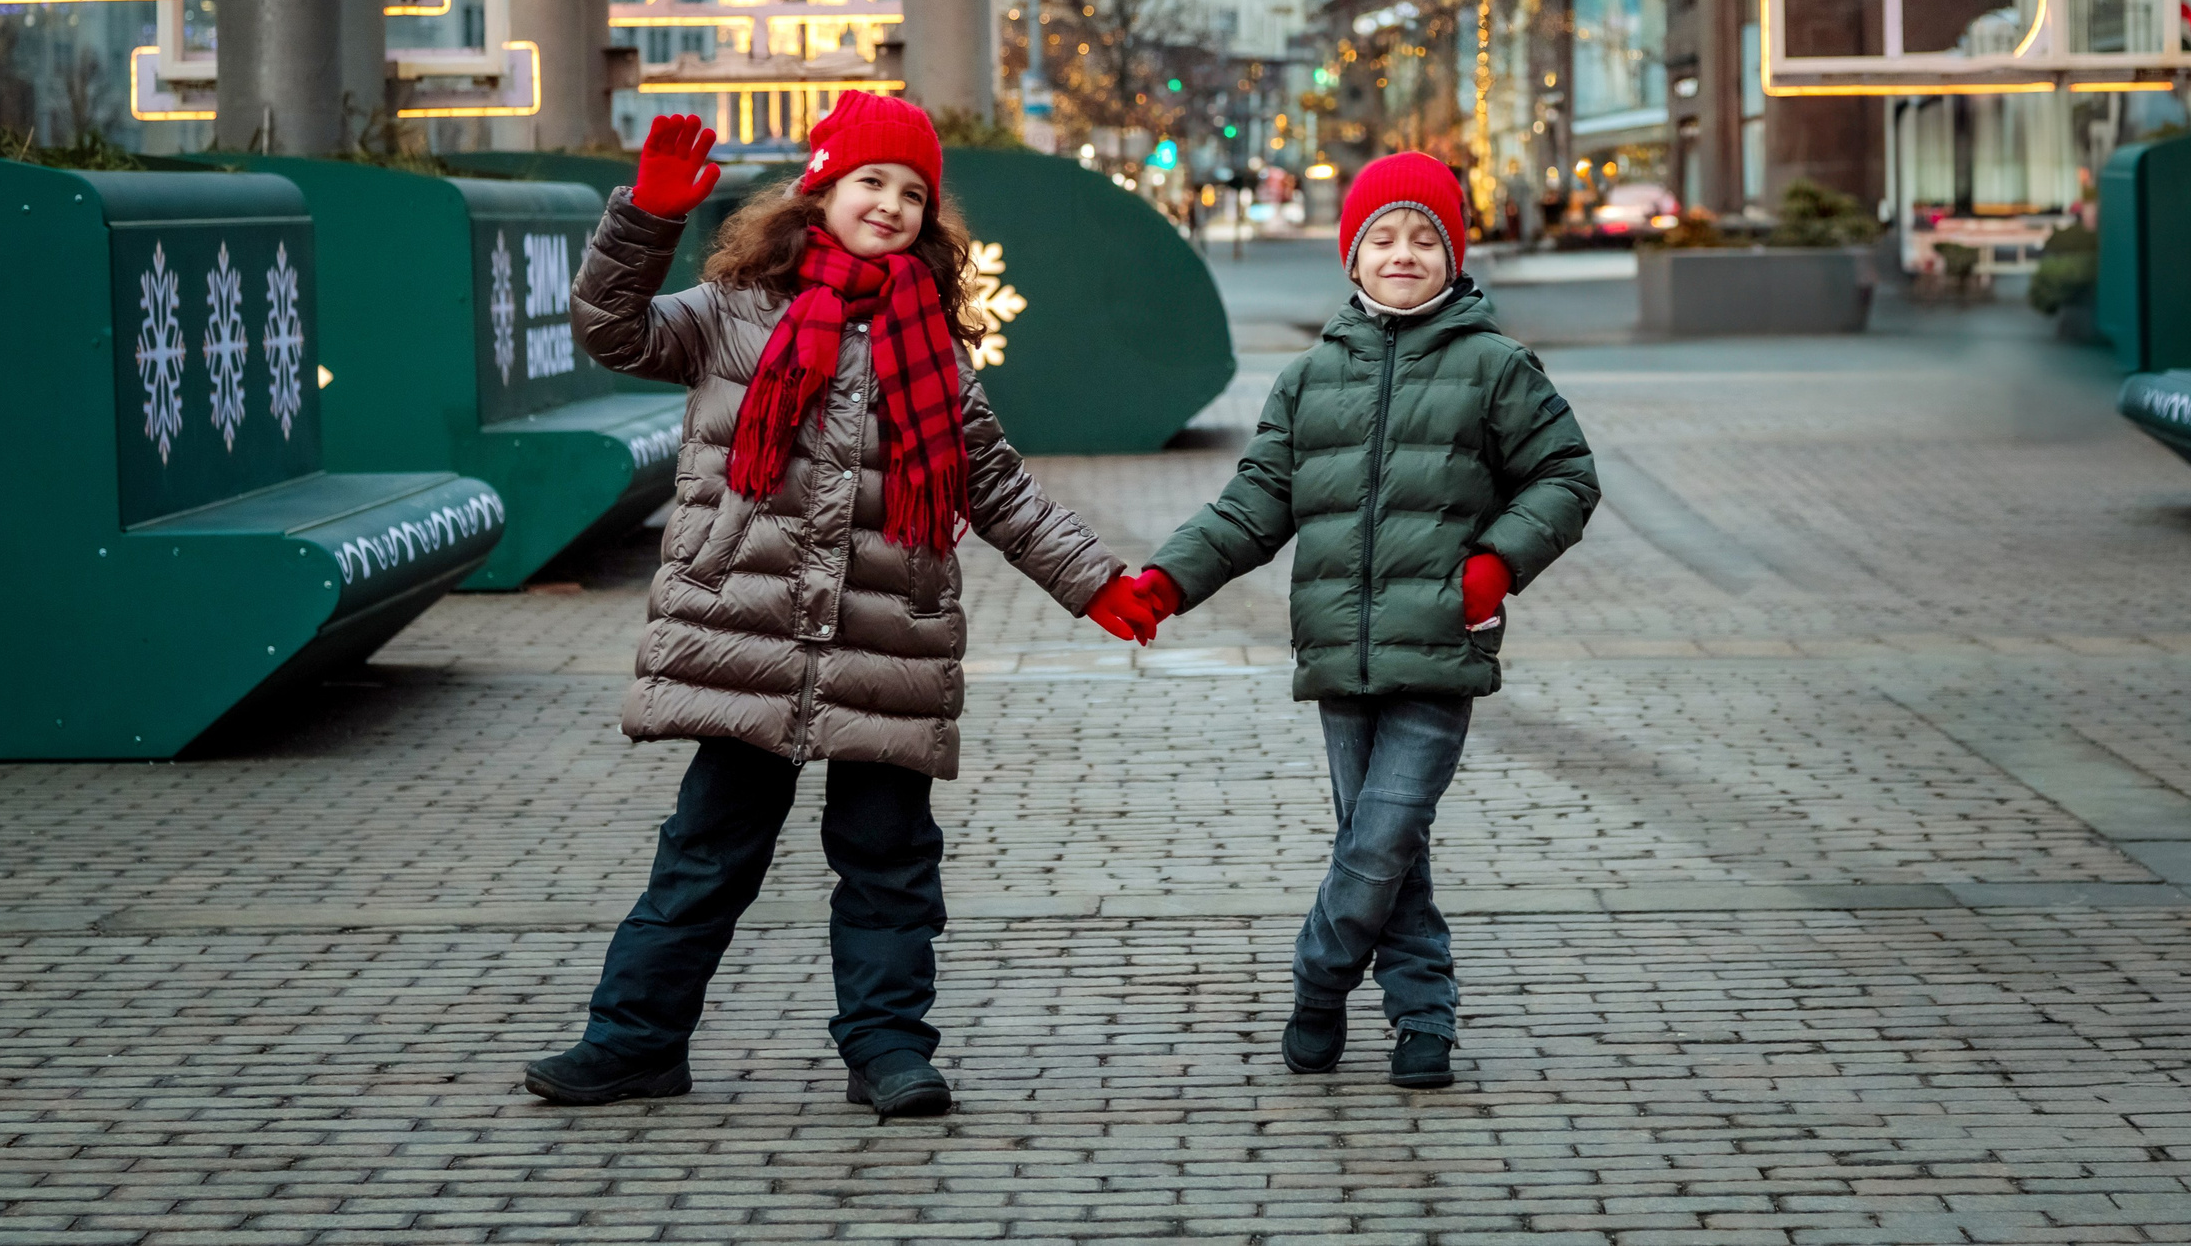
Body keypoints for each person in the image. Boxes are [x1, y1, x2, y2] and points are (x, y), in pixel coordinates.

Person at [523, 96, 1160, 1119]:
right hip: (748, 628)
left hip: (887, 636)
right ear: (817, 191)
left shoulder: (935, 347)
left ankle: (888, 1049)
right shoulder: (731, 312)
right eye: (871, 180)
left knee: (889, 862)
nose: (892, 204)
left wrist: (1095, 581)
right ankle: (633, 1041)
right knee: (705, 853)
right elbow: (612, 328)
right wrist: (645, 218)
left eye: (912, 193)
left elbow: (998, 487)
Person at [1133, 151, 1599, 1089]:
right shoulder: (1310, 378)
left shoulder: (1496, 367)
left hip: (1442, 645)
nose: (1403, 253)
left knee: (1381, 838)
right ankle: (1423, 1017)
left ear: (1453, 254)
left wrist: (1494, 565)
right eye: (1383, 237)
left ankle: (1319, 978)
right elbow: (1255, 504)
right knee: (1388, 850)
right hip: (1339, 653)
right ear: (1351, 256)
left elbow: (1566, 475)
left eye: (1425, 237)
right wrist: (1168, 581)